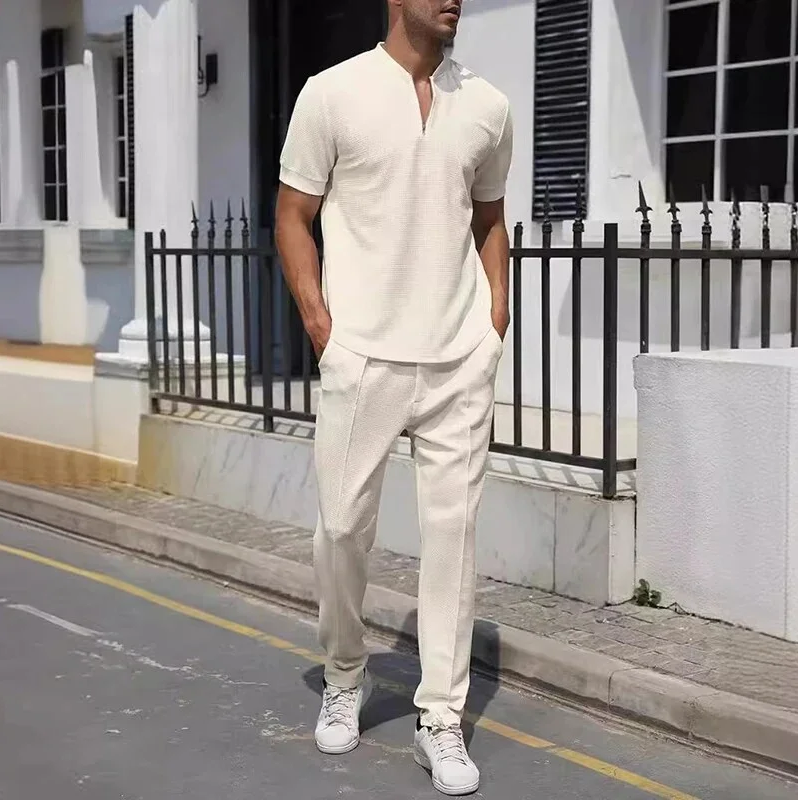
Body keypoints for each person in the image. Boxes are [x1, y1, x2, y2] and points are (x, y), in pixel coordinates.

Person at [275, 0, 512, 794]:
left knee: (453, 539)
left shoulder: (488, 105)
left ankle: (440, 717)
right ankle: (345, 673)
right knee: (341, 528)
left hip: (458, 359)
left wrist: (495, 318)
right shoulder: (332, 92)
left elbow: (489, 218)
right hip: (364, 355)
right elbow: (293, 215)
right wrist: (322, 326)